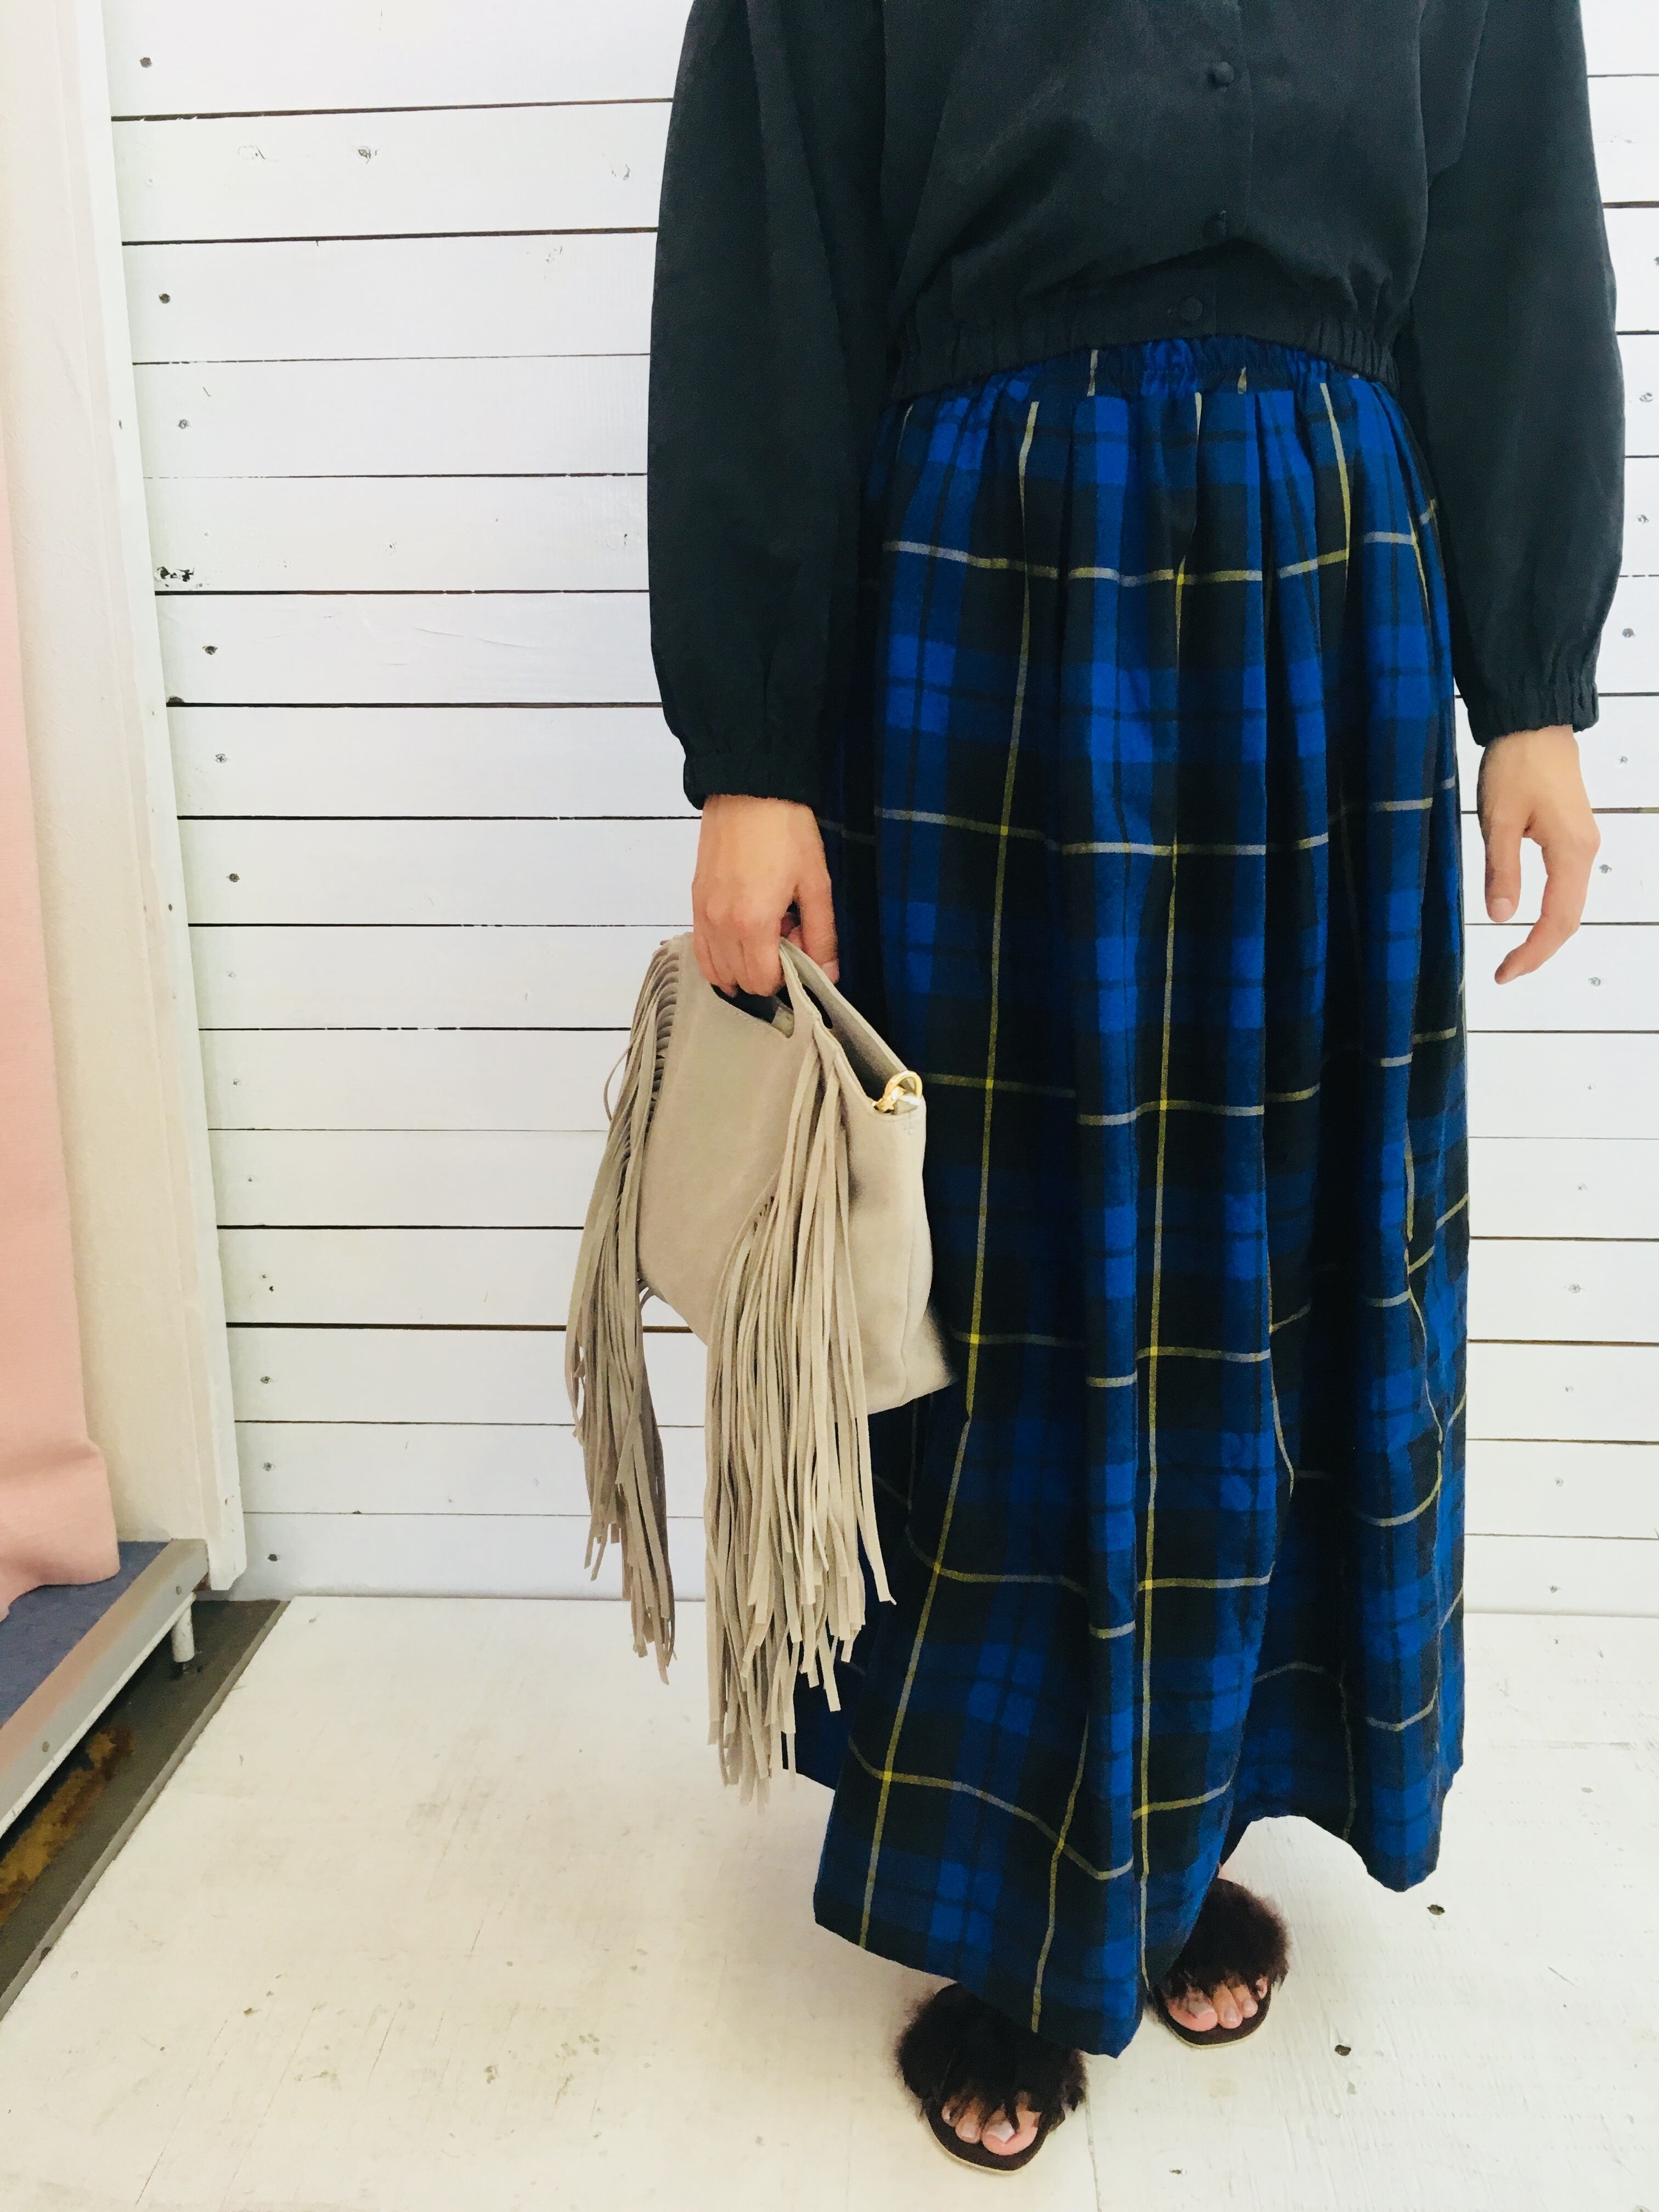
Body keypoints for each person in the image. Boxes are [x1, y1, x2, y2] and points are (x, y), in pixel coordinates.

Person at [645, 0, 1623, 2170]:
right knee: (1011, 1263)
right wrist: (755, 751)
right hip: (991, 566)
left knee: (1293, 1249)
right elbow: (768, 252)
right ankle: (1013, 1898)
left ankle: (1191, 1821)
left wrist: (1534, 690)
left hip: (1333, 573)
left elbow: (1513, 234)